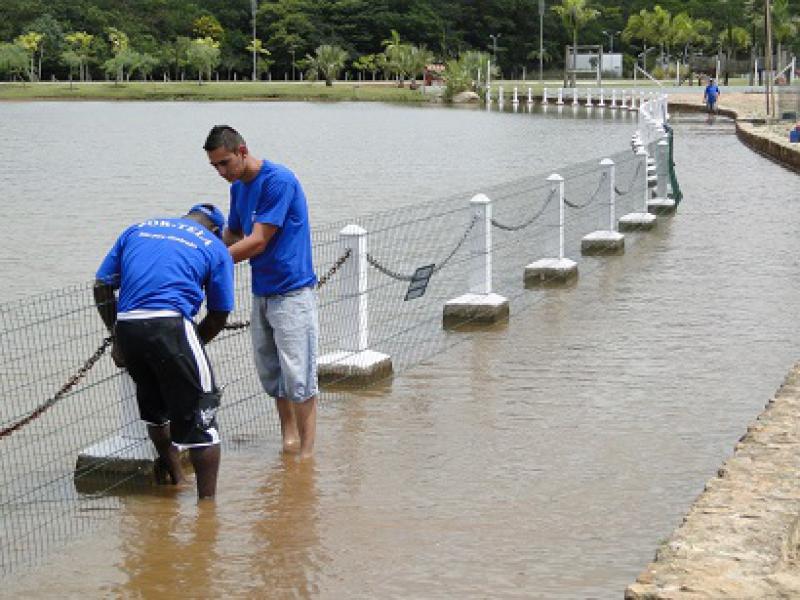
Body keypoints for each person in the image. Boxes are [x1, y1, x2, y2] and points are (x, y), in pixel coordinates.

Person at [93, 203, 234, 499]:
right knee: (203, 419)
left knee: (155, 410)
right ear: (215, 229)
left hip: (129, 326)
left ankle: (179, 479)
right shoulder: (214, 245)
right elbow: (219, 314)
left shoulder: (138, 229)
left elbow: (102, 285)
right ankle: (207, 509)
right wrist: (187, 349)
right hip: (171, 323)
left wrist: (117, 337)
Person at [203, 124, 319, 458]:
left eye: (224, 163)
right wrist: (199, 249)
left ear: (242, 151)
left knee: (299, 376)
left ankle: (306, 456)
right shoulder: (239, 188)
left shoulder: (277, 180)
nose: (221, 172)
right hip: (262, 291)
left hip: (292, 292)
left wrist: (209, 264)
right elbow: (233, 233)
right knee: (272, 372)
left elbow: (257, 241)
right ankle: (289, 441)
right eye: (214, 166)